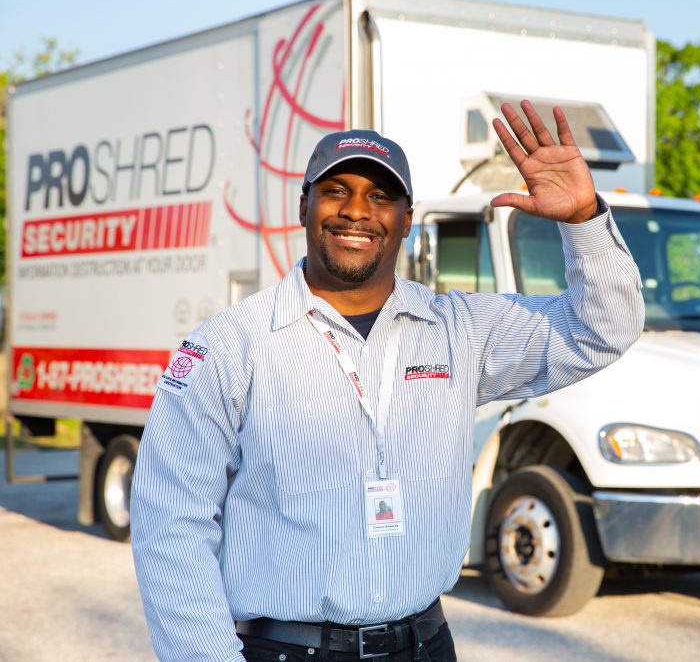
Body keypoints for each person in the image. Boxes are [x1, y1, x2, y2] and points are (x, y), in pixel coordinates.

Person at [131, 100, 644, 661]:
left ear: (407, 217)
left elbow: (601, 332)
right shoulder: (231, 345)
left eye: (380, 196)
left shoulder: (460, 332)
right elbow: (171, 525)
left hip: (424, 647)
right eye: (336, 190)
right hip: (284, 650)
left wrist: (583, 219)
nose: (357, 211)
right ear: (303, 204)